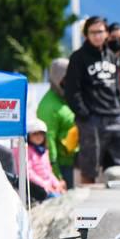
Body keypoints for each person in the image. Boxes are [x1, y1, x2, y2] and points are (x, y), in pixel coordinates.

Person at [63, 16, 120, 184]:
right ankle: (88, 206)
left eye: (100, 32)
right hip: (92, 119)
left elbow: (117, 88)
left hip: (116, 116)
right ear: (86, 35)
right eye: (93, 32)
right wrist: (84, 115)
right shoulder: (78, 57)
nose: (97, 36)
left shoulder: (111, 56)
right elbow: (71, 90)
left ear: (106, 33)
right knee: (90, 167)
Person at [37, 58, 79, 188]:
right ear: (57, 78)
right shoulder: (49, 106)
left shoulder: (65, 97)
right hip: (61, 167)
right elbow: (48, 141)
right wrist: (56, 175)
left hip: (73, 161)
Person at [25, 118, 65, 201]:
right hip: (36, 188)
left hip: (48, 186)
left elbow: (49, 171)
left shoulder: (44, 151)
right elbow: (28, 173)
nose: (39, 136)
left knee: (64, 196)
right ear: (28, 136)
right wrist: (45, 185)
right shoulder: (25, 150)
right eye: (35, 134)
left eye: (41, 134)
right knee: (55, 199)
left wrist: (57, 184)